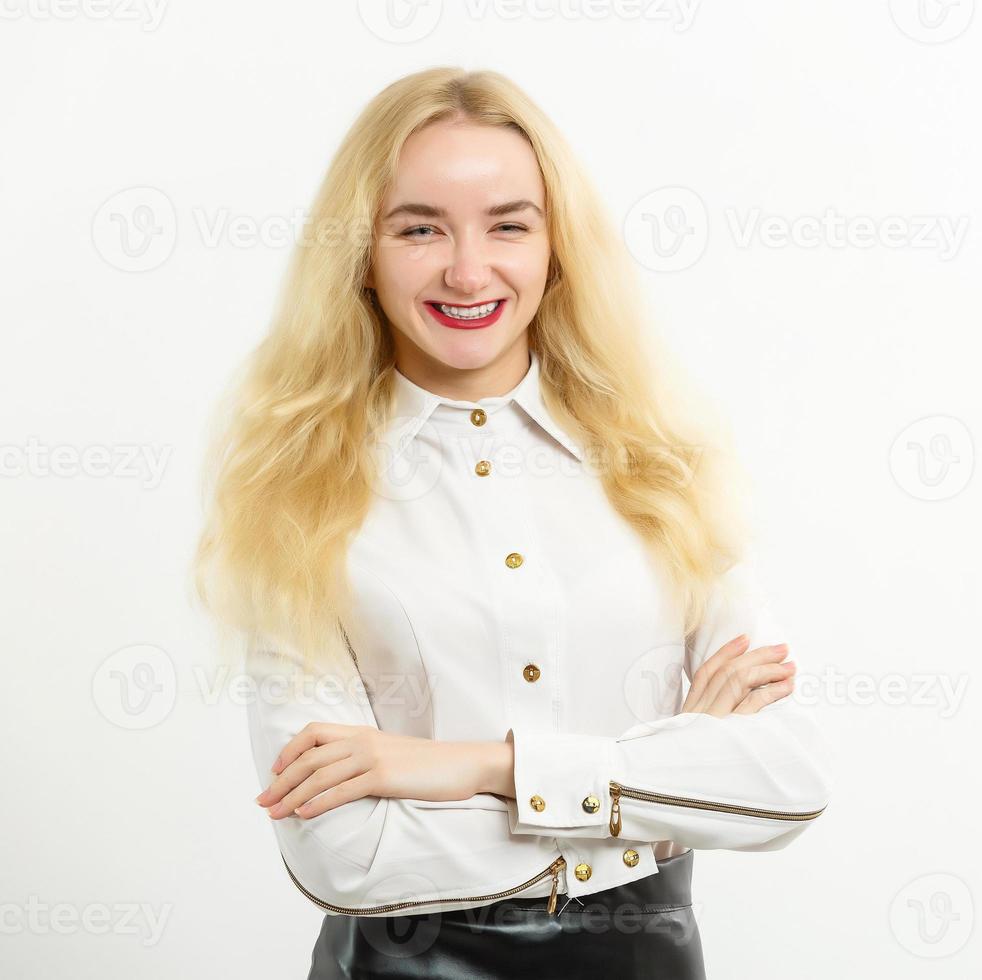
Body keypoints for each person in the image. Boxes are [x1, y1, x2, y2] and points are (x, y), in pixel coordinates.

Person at [190, 66, 833, 979]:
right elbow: (346, 855)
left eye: (508, 224)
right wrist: (662, 789)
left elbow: (787, 783)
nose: (466, 269)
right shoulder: (294, 496)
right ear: (361, 255)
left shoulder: (663, 467)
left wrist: (464, 766)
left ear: (556, 247)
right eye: (420, 229)